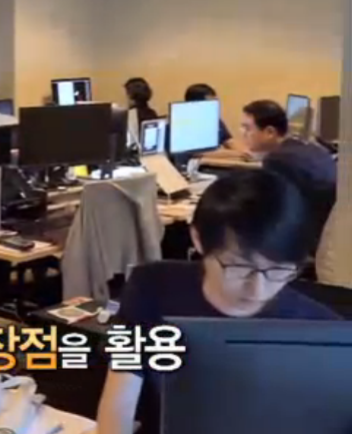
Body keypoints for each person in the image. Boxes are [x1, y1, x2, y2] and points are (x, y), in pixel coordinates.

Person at [95, 169, 338, 434]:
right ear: (198, 240)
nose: (258, 290)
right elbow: (119, 401)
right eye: (240, 267)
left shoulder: (323, 332)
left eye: (279, 270)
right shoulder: (150, 287)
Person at [241, 100, 336, 249]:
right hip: (327, 236)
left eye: (247, 128)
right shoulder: (310, 147)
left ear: (270, 132)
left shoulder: (278, 161)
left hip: (305, 243)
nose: (243, 133)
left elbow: (273, 213)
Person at [184, 83, 244, 153]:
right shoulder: (184, 123)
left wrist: (245, 151)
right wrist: (238, 154)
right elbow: (198, 153)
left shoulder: (214, 119)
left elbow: (228, 140)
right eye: (210, 103)